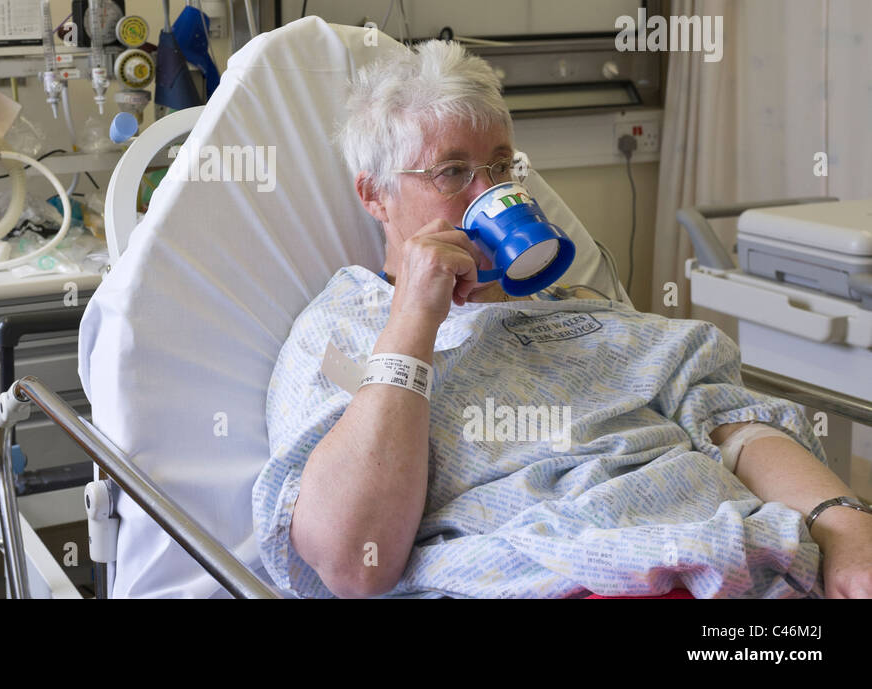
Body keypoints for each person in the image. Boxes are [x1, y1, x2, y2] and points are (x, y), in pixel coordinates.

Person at [252, 39, 872, 599]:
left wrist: (845, 527)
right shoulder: (347, 329)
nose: (486, 192)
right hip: (558, 578)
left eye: (500, 167)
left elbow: (734, 426)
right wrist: (413, 320)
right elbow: (354, 564)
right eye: (452, 172)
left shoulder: (581, 305)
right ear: (374, 195)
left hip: (745, 568)